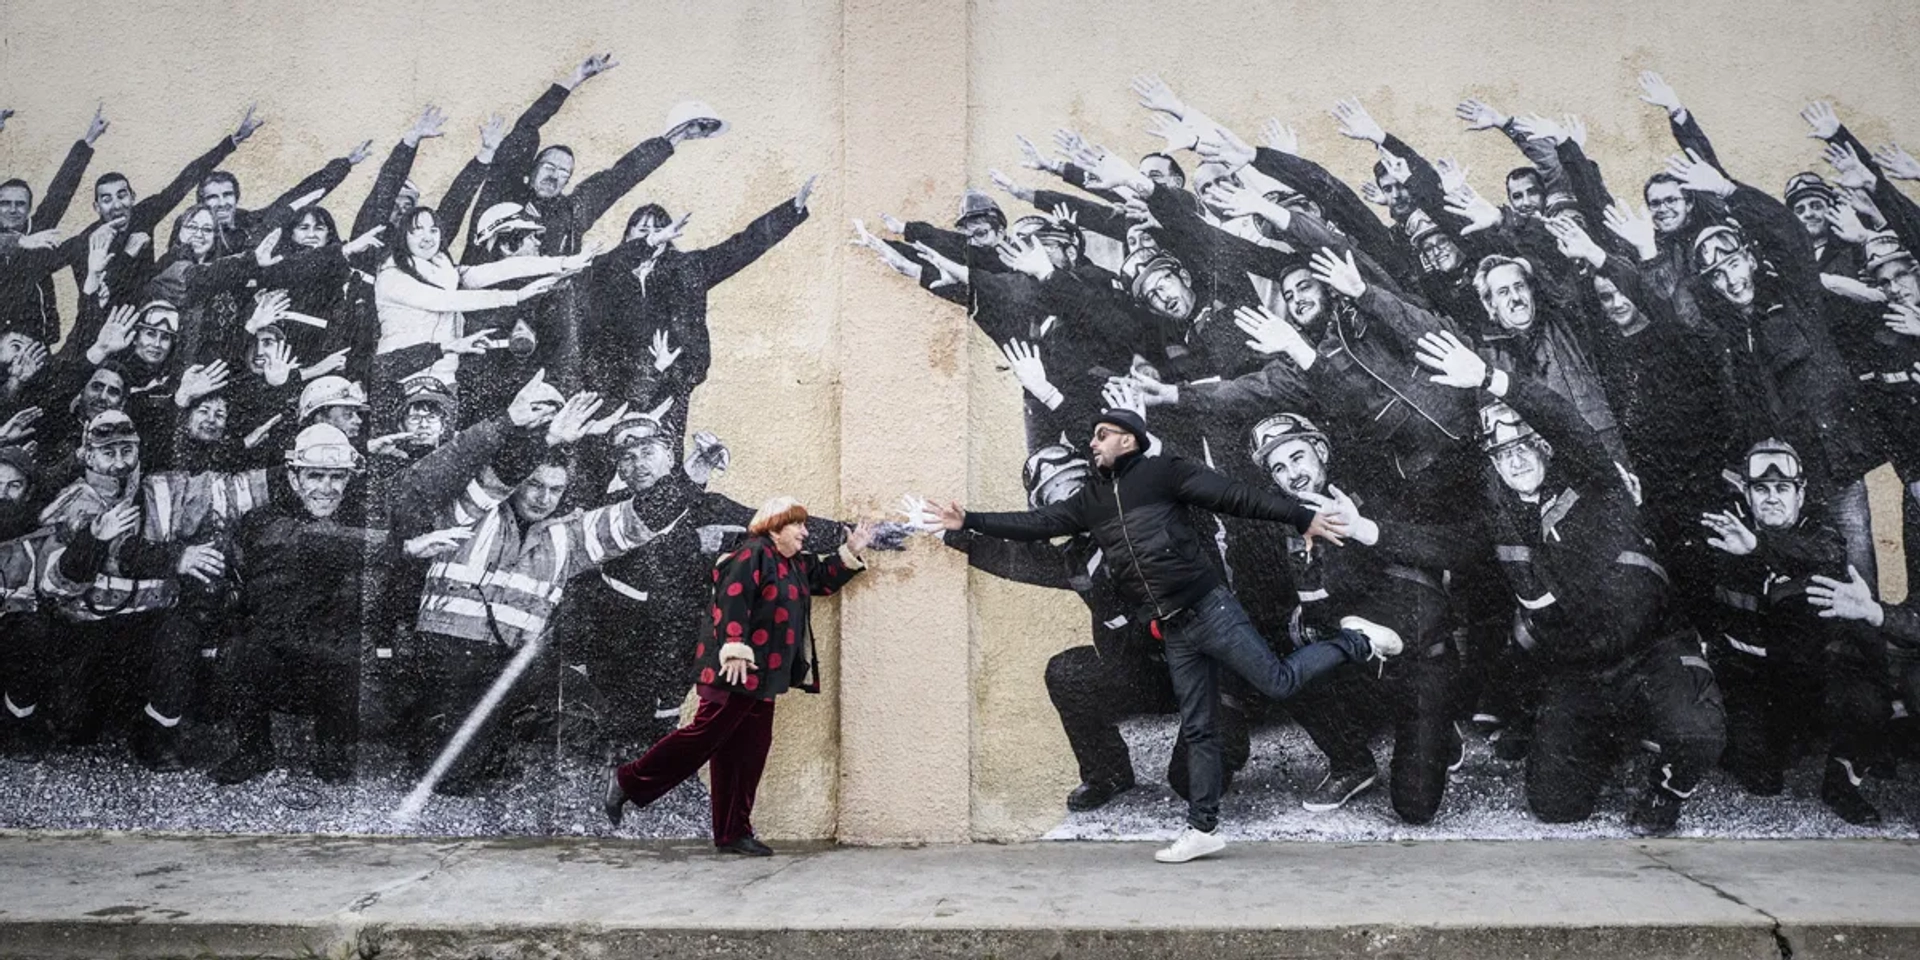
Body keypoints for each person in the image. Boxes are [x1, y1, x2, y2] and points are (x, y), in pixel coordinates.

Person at [926, 408, 1402, 863]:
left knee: (1279, 671)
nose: (1067, 499)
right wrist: (959, 528)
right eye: (1056, 496)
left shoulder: (1154, 488)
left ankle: (1357, 656)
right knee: (1086, 686)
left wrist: (1302, 518)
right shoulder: (1078, 547)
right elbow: (1022, 545)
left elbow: (1224, 496)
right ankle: (1164, 807)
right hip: (1167, 651)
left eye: (1076, 481)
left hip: (1216, 634)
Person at [606, 497, 875, 857]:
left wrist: (851, 550)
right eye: (798, 526)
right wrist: (734, 646)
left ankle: (733, 832)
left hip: (764, 677)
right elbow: (732, 598)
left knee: (747, 752)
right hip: (734, 671)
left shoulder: (791, 563)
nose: (805, 533)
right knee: (703, 736)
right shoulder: (752, 554)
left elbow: (824, 581)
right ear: (776, 526)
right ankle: (626, 781)